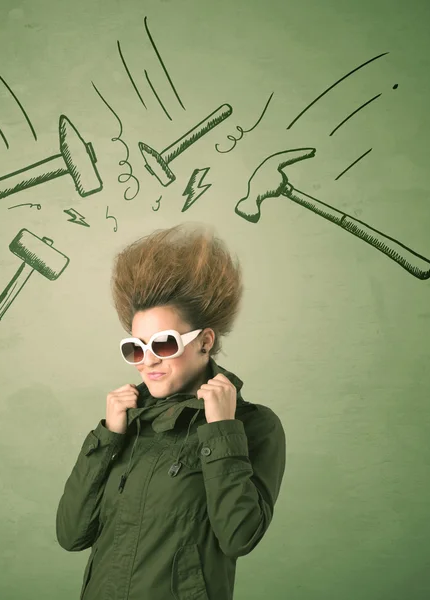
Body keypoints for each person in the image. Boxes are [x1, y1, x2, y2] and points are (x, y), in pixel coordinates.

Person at [56, 222, 286, 600]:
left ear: (205, 342)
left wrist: (221, 430)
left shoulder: (253, 425)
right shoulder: (127, 425)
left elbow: (240, 536)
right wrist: (106, 438)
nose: (147, 362)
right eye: (135, 348)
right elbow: (71, 534)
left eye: (162, 345)